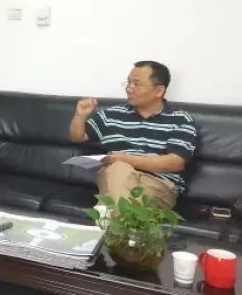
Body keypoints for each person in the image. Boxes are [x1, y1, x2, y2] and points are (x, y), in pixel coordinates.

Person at [69, 61, 197, 210]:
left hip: (157, 184)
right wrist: (80, 115)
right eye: (128, 82)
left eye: (137, 84)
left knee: (113, 202)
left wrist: (128, 159)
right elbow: (77, 137)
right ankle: (118, 219)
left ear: (159, 91)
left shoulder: (180, 119)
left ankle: (107, 217)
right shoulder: (113, 114)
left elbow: (176, 162)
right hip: (116, 176)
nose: (129, 88)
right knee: (119, 170)